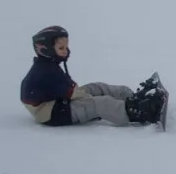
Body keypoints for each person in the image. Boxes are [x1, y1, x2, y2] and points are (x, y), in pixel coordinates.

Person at [20, 26, 166, 127]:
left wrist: (82, 92)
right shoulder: (45, 71)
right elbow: (70, 92)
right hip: (50, 113)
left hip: (58, 102)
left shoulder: (49, 64)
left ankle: (132, 98)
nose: (66, 51)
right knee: (100, 103)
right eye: (61, 48)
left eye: (66, 47)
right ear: (46, 50)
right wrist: (86, 97)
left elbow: (69, 89)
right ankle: (139, 112)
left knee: (97, 87)